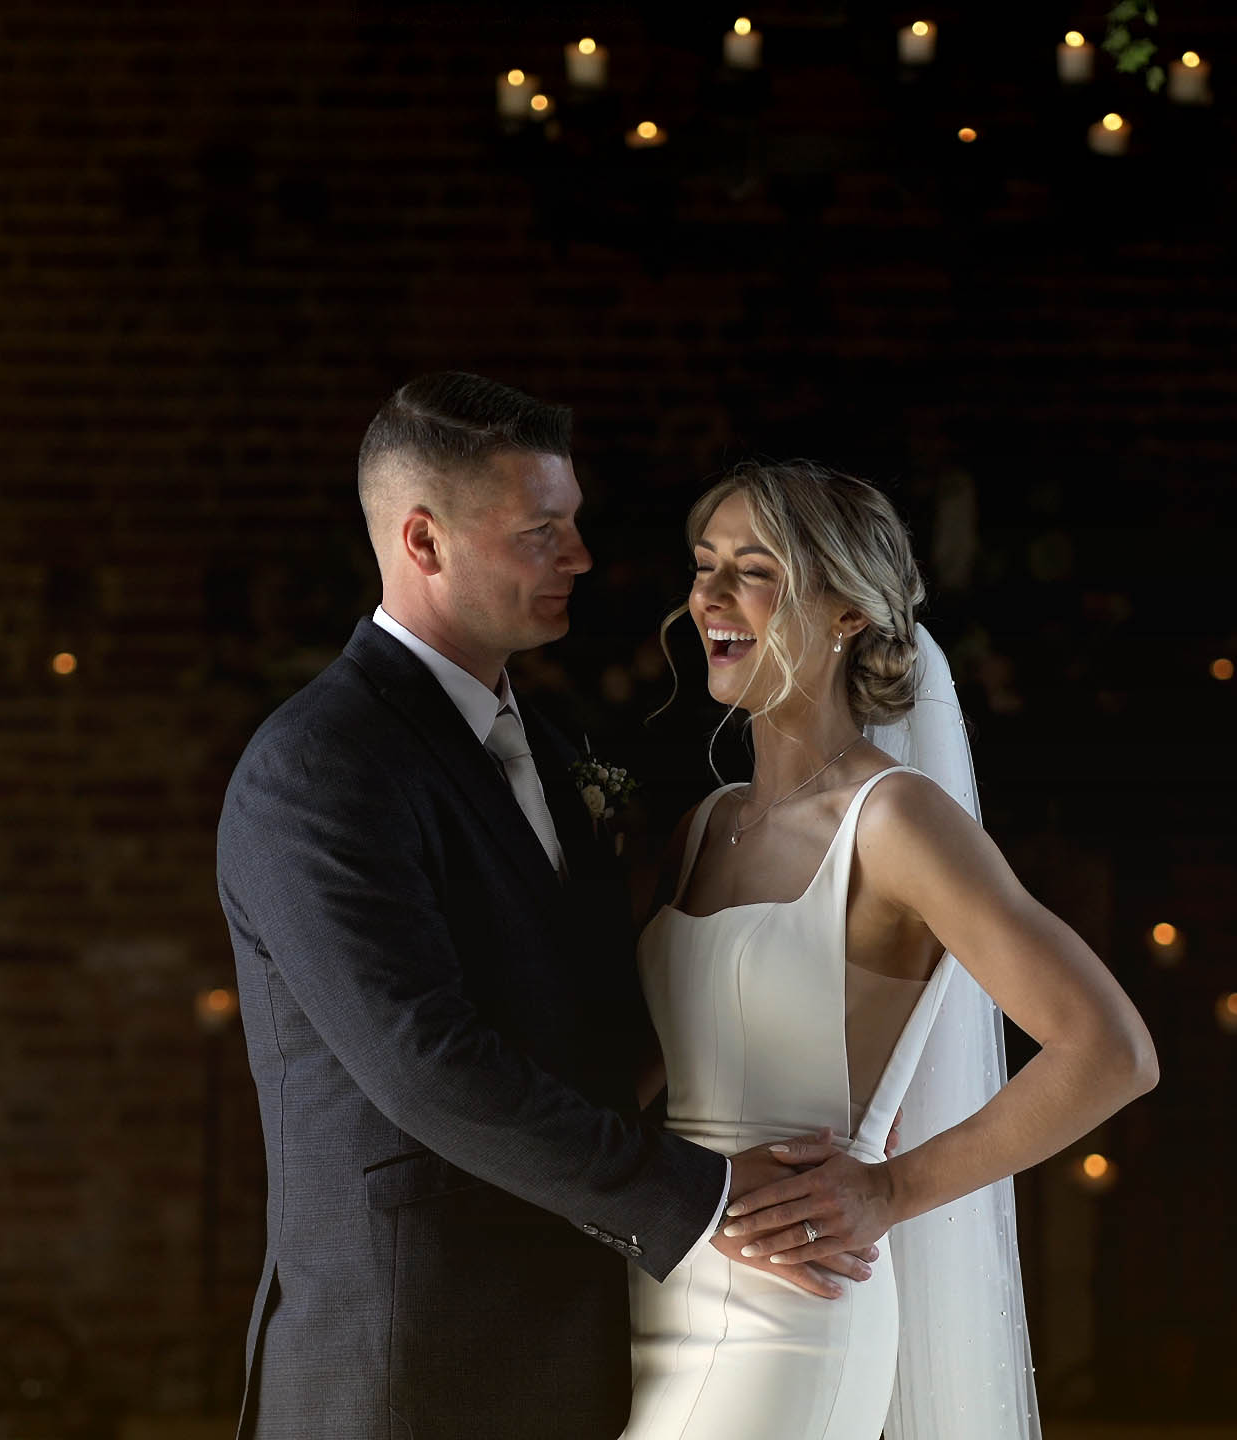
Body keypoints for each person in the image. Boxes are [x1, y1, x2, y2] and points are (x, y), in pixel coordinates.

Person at [215, 376, 875, 1440]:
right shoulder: (319, 766)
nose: (580, 558)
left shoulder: (558, 747)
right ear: (422, 542)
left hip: (574, 1341)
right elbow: (423, 1061)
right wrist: (707, 1199)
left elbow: (587, 1012)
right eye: (540, 533)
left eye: (572, 525)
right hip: (406, 1365)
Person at [623, 461, 1160, 1440]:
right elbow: (631, 1079)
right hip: (662, 1290)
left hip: (792, 1317)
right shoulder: (702, 829)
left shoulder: (894, 821)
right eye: (705, 566)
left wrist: (887, 1189)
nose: (709, 595)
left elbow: (1111, 1051)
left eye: (754, 568)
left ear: (842, 614)